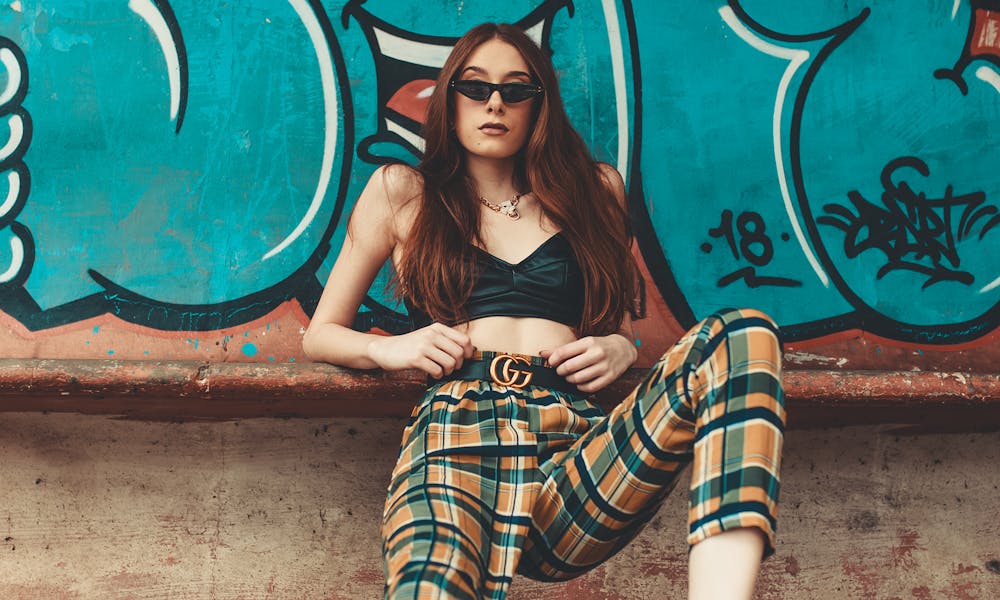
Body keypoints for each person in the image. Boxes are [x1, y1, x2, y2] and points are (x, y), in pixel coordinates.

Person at [303, 22, 785, 600]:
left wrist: (621, 345)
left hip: (571, 456)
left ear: (540, 106)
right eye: (475, 87)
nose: (496, 103)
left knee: (744, 334)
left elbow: (616, 323)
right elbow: (321, 334)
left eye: (517, 90)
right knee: (428, 587)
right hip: (455, 443)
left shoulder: (594, 192)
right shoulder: (403, 191)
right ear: (448, 100)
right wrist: (386, 348)